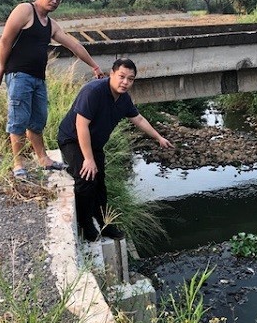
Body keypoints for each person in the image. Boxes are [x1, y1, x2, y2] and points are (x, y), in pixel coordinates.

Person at [0, 0, 105, 179]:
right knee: (18, 120)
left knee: (38, 120)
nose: (54, 1)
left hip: (38, 78)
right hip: (18, 74)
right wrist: (2, 67)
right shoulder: (25, 10)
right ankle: (18, 164)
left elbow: (74, 45)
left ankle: (43, 159)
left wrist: (94, 66)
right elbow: (5, 40)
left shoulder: (51, 24)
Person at [57, 58, 174, 241]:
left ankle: (104, 222)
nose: (125, 82)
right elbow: (81, 125)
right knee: (86, 178)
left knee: (100, 184)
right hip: (72, 139)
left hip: (94, 144)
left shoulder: (124, 99)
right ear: (111, 74)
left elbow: (139, 119)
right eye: (121, 77)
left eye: (130, 79)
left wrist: (158, 137)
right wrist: (88, 159)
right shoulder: (93, 91)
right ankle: (85, 224)